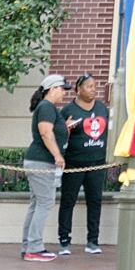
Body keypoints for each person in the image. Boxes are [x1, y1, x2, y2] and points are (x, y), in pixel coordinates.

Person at [55, 75, 111, 256]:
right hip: (74, 163)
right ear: (79, 89)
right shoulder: (68, 109)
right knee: (68, 201)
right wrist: (66, 128)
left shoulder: (102, 108)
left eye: (95, 86)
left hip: (97, 164)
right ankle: (64, 240)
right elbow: (59, 133)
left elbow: (107, 133)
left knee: (95, 201)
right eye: (89, 86)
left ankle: (93, 241)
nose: (93, 89)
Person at [22, 75, 67, 262]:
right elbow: (46, 133)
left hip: (37, 161)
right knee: (44, 203)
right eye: (62, 88)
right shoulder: (47, 107)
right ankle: (34, 247)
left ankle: (29, 246)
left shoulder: (45, 107)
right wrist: (57, 155)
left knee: (36, 204)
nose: (64, 93)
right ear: (52, 89)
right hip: (43, 162)